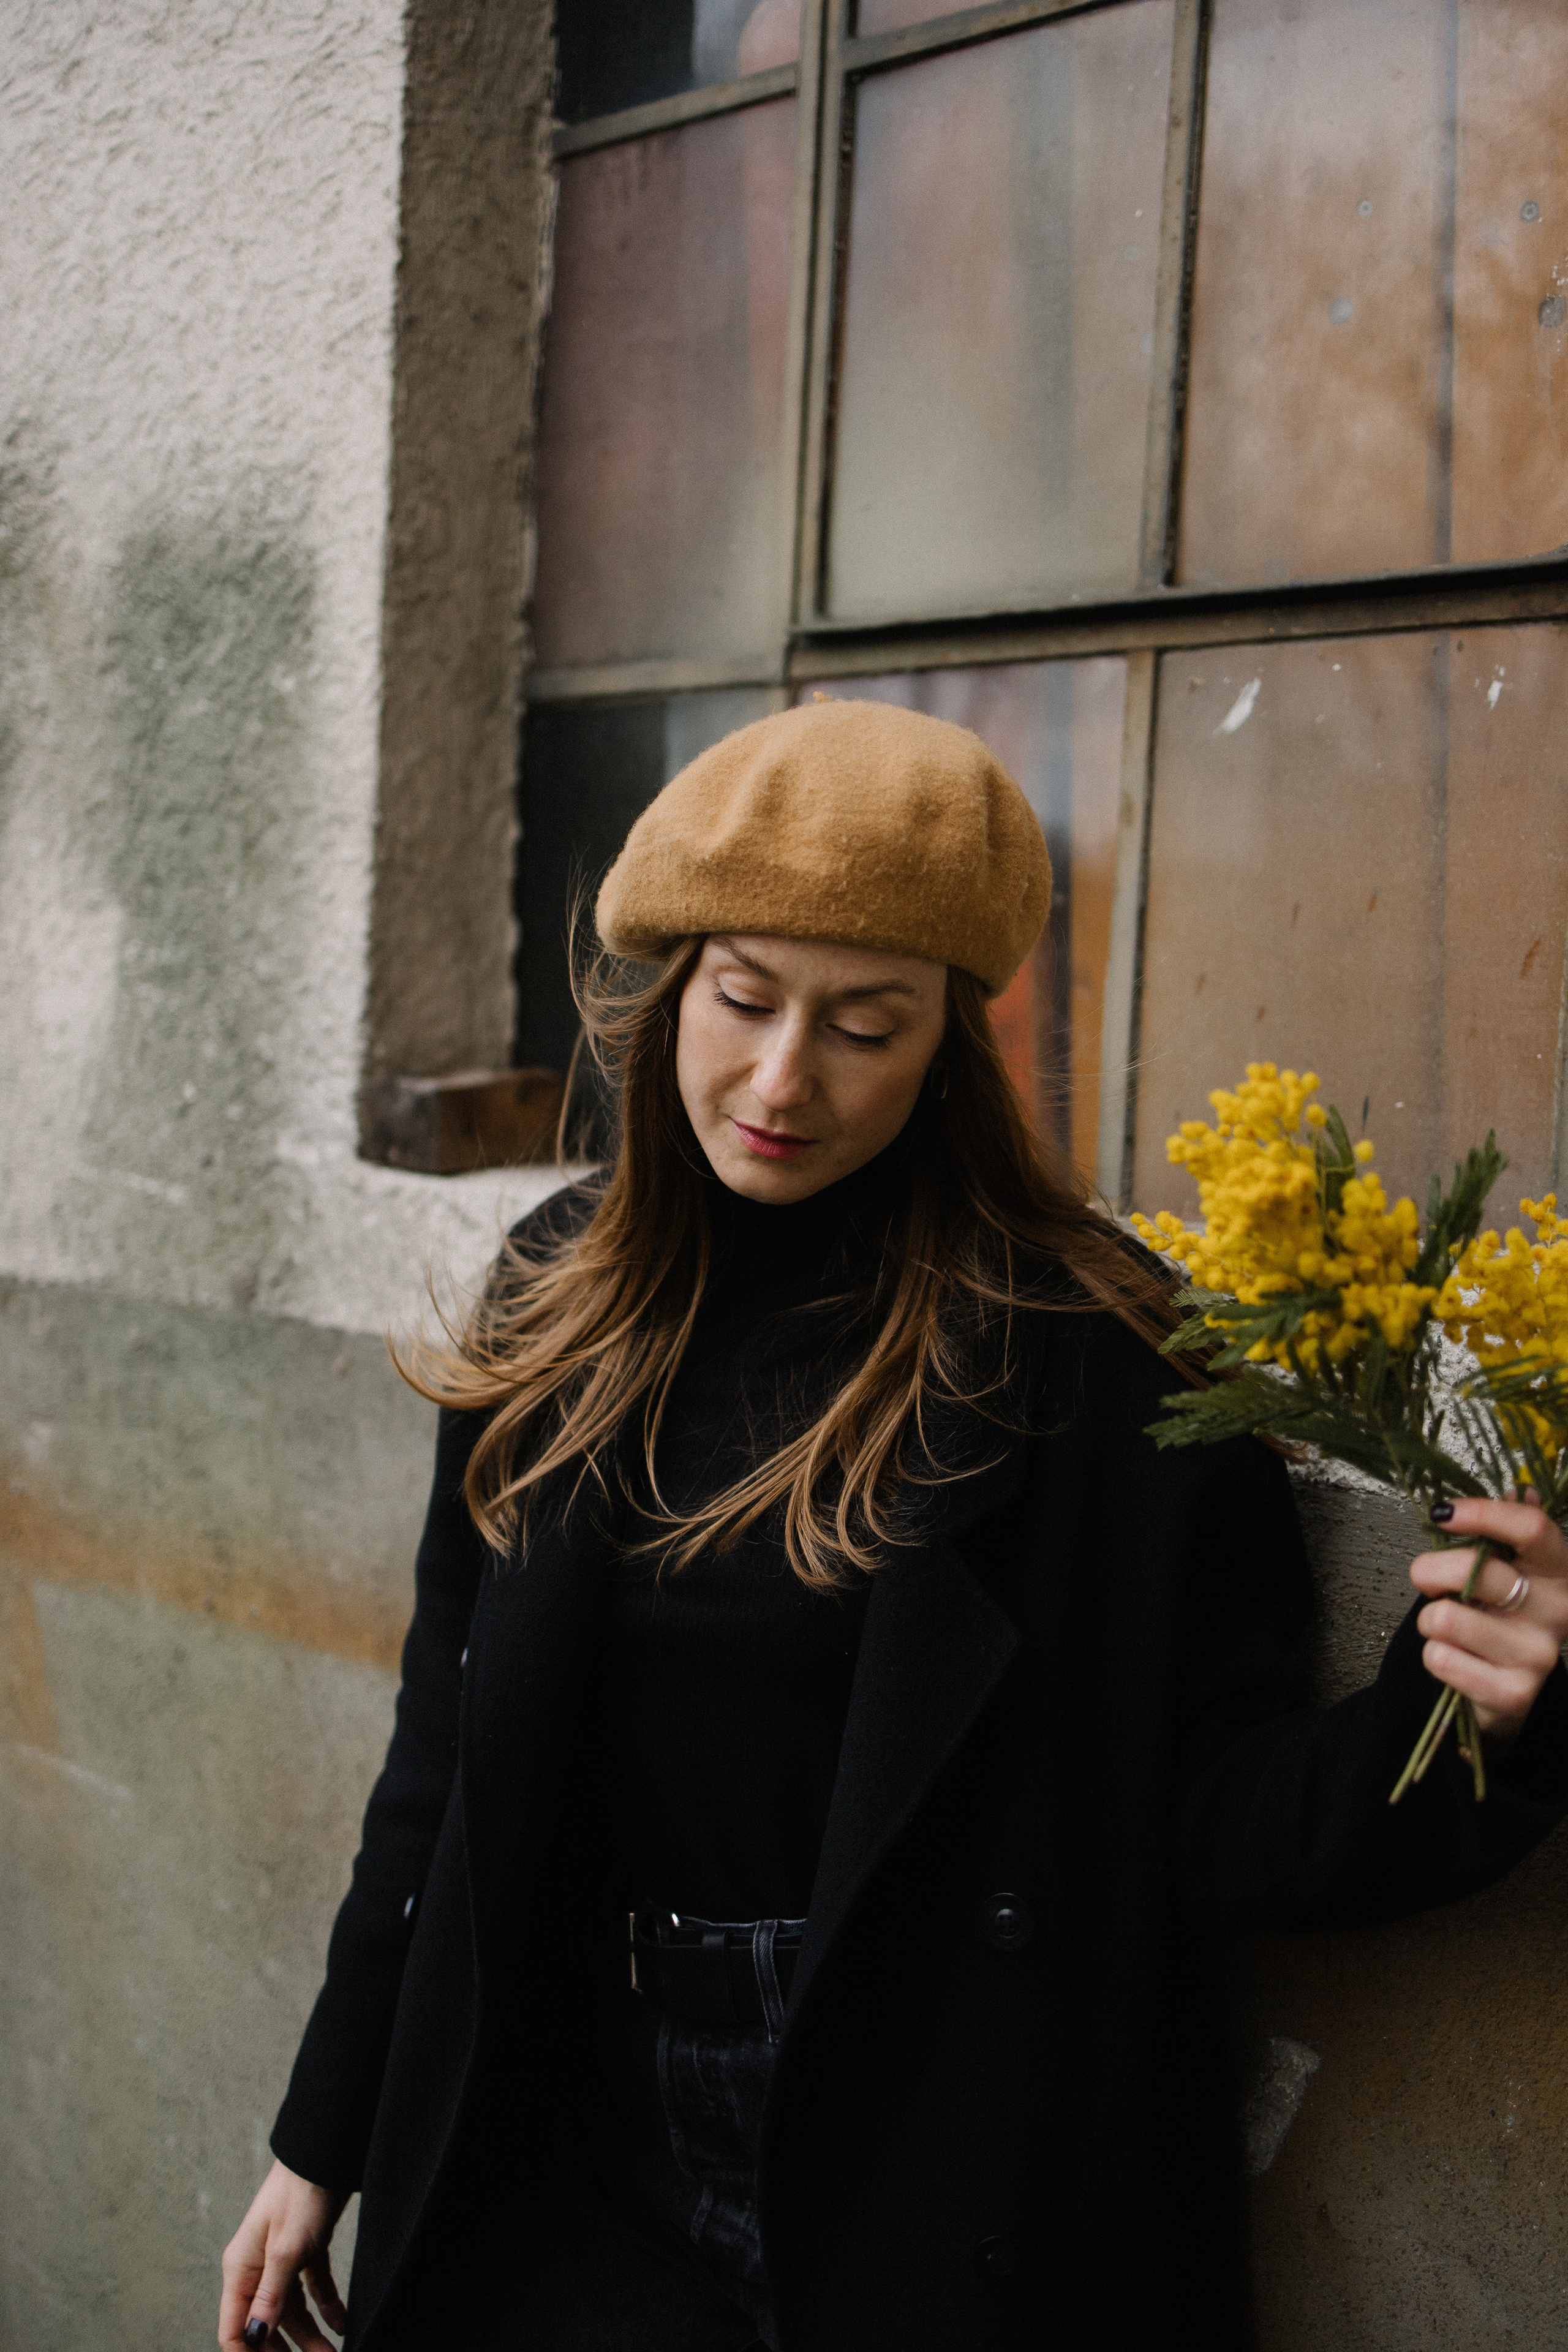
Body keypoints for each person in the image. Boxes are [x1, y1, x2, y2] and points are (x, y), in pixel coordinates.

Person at [219, 699, 1568, 2352]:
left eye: (867, 1025)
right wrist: (326, 2128)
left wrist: (1475, 1711)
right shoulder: (565, 1292)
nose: (785, 1079)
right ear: (666, 994)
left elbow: (1214, 1824)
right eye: (745, 1000)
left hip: (930, 2138)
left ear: (951, 1049)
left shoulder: (1095, 1350)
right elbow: (443, 1759)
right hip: (568, 2115)